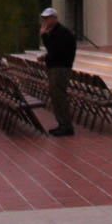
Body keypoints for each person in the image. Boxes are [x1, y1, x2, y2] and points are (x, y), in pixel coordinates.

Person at [38, 7, 76, 136]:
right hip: (55, 67)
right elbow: (53, 51)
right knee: (55, 97)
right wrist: (45, 57)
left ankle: (66, 125)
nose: (45, 21)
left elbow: (56, 51)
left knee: (59, 96)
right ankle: (61, 124)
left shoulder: (62, 32)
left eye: (47, 18)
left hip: (60, 68)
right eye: (43, 18)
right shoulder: (54, 32)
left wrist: (43, 36)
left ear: (54, 18)